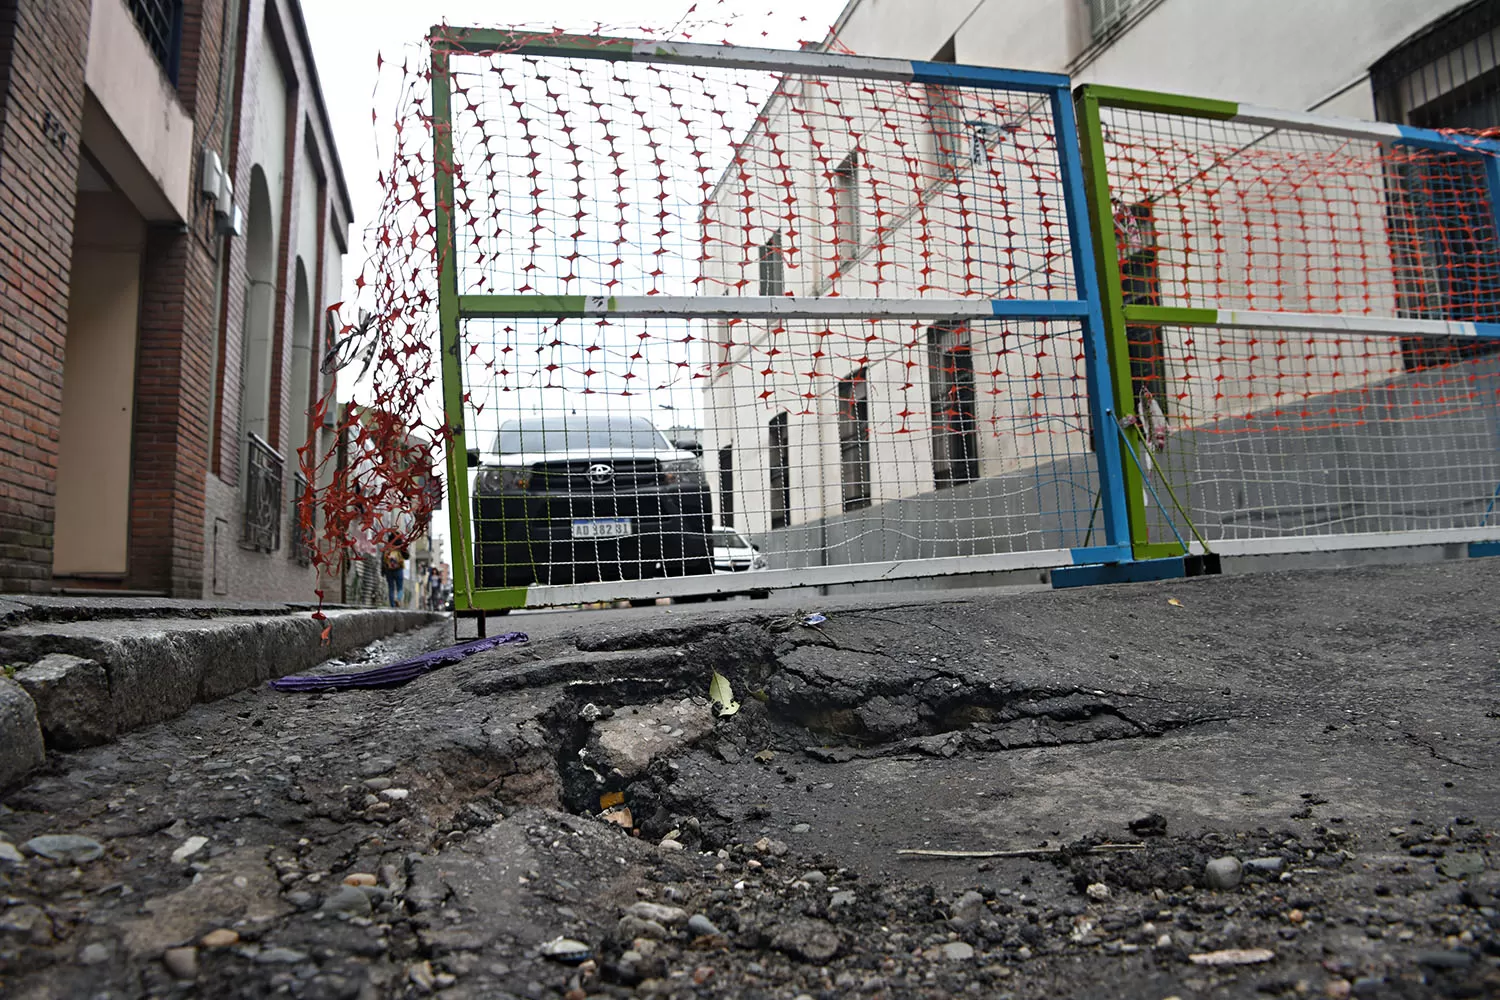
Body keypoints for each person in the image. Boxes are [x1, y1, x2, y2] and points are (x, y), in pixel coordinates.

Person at [381, 532, 409, 607]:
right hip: (398, 569)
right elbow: (407, 556)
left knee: (391, 588)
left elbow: (382, 559)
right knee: (400, 587)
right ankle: (398, 599)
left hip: (388, 569)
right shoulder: (400, 546)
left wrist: (382, 570)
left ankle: (392, 606)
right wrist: (404, 548)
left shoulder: (387, 546)